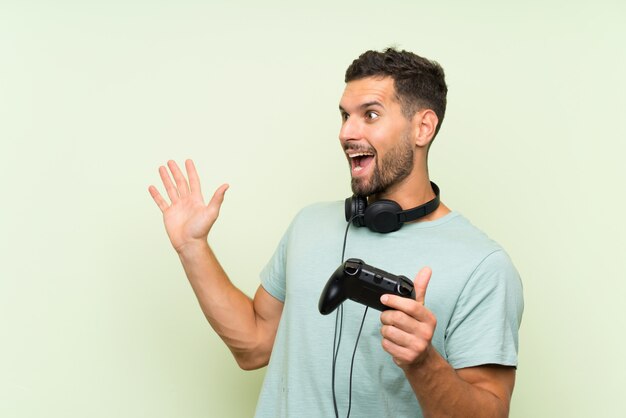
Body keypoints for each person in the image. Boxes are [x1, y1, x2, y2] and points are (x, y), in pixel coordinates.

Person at [148, 48, 524, 418]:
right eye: (345, 116)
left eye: (370, 115)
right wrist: (192, 247)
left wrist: (422, 362)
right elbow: (254, 346)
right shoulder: (308, 226)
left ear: (422, 127)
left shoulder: (483, 265)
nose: (347, 132)